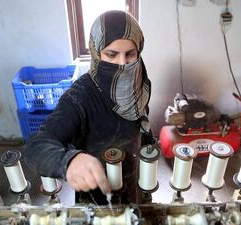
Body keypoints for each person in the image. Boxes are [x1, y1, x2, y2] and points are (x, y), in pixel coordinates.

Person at [23, 10, 154, 205]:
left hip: (135, 181)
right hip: (97, 193)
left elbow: (139, 123)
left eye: (130, 54)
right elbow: (36, 146)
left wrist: (148, 148)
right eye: (111, 54)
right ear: (96, 52)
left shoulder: (138, 82)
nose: (122, 63)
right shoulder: (80, 96)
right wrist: (69, 161)